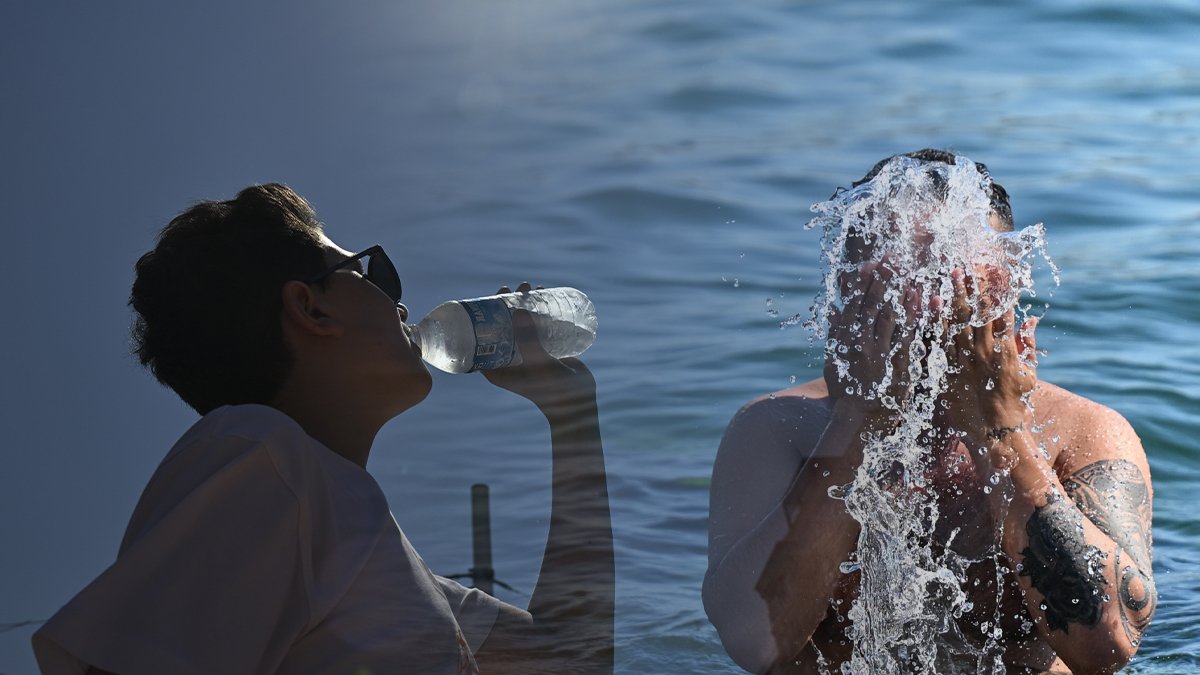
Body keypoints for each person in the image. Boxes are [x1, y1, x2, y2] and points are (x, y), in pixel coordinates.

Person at [32, 184, 614, 674]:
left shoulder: (375, 555)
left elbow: (577, 660)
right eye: (370, 272)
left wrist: (572, 415)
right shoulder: (259, 452)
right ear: (311, 310)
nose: (401, 305)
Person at [702, 150, 1156, 674]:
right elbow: (753, 645)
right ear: (842, 303)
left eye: (955, 288)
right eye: (890, 289)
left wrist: (1001, 434)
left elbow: (1108, 650)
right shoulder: (779, 432)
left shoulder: (1080, 433)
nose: (926, 313)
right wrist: (857, 428)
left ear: (1003, 299)